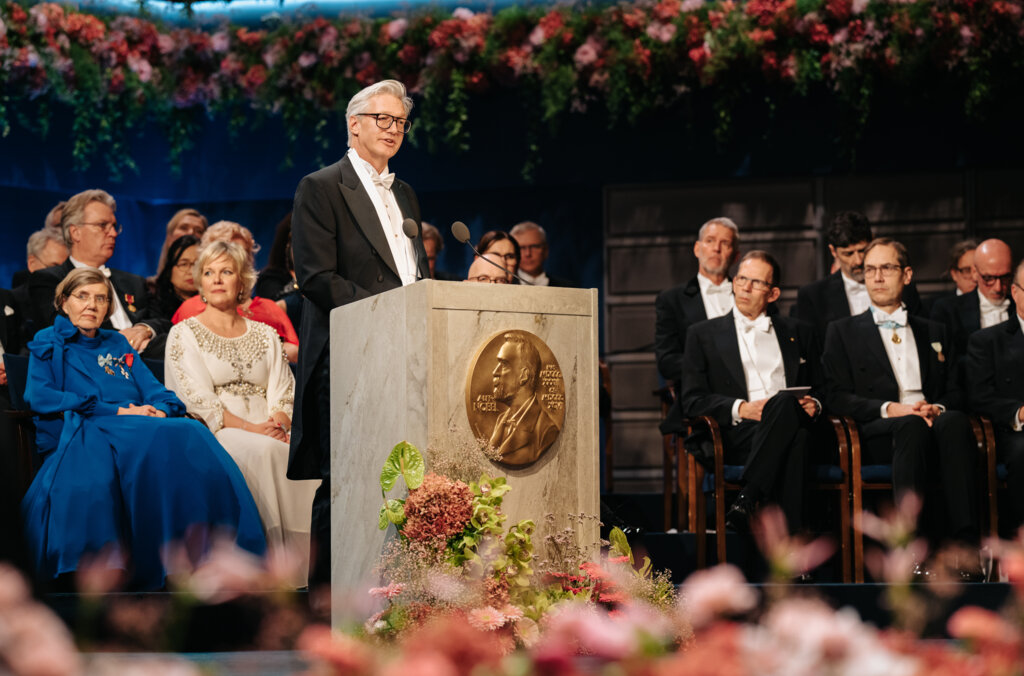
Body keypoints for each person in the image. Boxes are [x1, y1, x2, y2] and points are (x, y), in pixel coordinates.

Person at [20, 267, 266, 590]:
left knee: (188, 431)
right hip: (91, 425)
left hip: (137, 421)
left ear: (109, 307)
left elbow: (156, 391)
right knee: (168, 436)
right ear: (64, 302)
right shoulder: (48, 341)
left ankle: (211, 553)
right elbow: (38, 395)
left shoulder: (118, 344)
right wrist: (118, 409)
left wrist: (161, 410)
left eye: (100, 299)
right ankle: (169, 559)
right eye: (82, 297)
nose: (92, 305)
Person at [288, 79, 429, 588]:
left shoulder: (406, 192)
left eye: (400, 123)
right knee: (344, 481)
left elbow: (414, 273)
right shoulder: (321, 187)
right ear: (354, 124)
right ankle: (325, 604)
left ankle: (400, 594)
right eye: (383, 120)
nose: (393, 131)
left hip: (407, 354)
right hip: (349, 355)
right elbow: (317, 277)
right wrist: (388, 313)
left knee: (406, 477)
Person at [165, 242, 319, 587]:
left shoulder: (266, 335)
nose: (217, 280)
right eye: (208, 273)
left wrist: (278, 422)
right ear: (200, 284)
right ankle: (275, 572)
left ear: (242, 282)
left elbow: (283, 390)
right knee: (266, 451)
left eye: (226, 272)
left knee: (307, 457)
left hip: (272, 427)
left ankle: (312, 568)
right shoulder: (184, 333)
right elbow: (195, 398)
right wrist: (254, 429)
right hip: (219, 431)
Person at [822, 238, 980, 572]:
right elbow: (835, 395)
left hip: (932, 424)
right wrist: (891, 409)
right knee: (909, 426)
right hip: (881, 434)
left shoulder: (934, 329)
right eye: (870, 270)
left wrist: (935, 407)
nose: (877, 277)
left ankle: (964, 546)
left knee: (953, 420)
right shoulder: (842, 331)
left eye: (887, 268)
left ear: (906, 275)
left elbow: (956, 391)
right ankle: (911, 549)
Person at [676, 251, 822, 533]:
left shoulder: (799, 332)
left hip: (789, 424)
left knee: (786, 409)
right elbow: (692, 401)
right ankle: (793, 551)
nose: (744, 287)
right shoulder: (702, 334)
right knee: (797, 437)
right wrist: (740, 408)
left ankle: (747, 497)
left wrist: (815, 403)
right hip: (739, 432)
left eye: (756, 282)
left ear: (773, 293)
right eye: (741, 278)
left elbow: (824, 387)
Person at [27, 189, 170, 359]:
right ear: (75, 232)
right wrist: (129, 342)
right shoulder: (50, 280)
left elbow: (164, 323)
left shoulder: (134, 282)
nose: (113, 233)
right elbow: (66, 333)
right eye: (102, 225)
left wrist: (143, 330)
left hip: (150, 362)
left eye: (114, 226)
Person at [173, 221, 299, 363]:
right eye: (222, 250)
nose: (232, 257)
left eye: (241, 253)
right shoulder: (190, 309)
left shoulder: (271, 308)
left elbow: (296, 355)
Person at [794, 211, 923, 339]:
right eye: (848, 254)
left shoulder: (903, 286)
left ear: (873, 240)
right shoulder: (813, 296)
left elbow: (921, 334)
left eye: (862, 250)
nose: (858, 261)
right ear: (833, 251)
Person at [966, 257, 1024, 532]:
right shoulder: (988, 341)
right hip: (1015, 430)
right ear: (1016, 292)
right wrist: (1019, 412)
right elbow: (979, 396)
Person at [655, 217, 740, 393]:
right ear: (697, 248)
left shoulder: (750, 295)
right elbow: (667, 363)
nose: (716, 249)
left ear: (735, 256)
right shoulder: (671, 300)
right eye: (710, 241)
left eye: (725, 243)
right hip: (702, 396)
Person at [931, 238, 1014, 358]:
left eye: (1005, 277)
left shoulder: (1019, 306)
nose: (998, 288)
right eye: (988, 278)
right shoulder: (947, 310)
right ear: (975, 273)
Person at [486, 332, 560, 465]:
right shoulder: (501, 420)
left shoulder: (546, 432)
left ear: (524, 375)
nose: (495, 372)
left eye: (504, 364)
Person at [510, 221, 576, 287]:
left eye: (534, 246)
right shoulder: (505, 285)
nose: (528, 253)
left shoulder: (567, 287)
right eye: (521, 248)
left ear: (545, 251)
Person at [151, 235, 200, 322]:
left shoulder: (213, 305)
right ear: (170, 270)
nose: (191, 271)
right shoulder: (154, 304)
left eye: (197, 265)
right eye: (184, 264)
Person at [153, 208, 208, 281]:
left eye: (199, 231)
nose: (191, 233)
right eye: (184, 228)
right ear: (169, 236)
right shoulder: (148, 288)